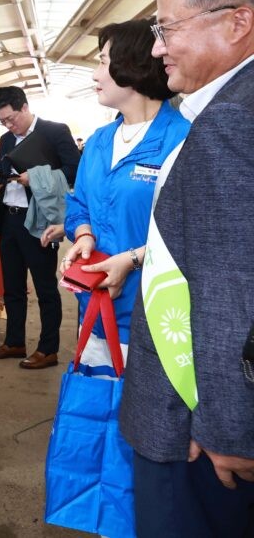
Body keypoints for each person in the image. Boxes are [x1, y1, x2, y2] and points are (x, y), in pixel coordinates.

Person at [117, 0, 254, 537]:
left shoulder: (232, 124)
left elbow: (231, 290)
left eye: (168, 28)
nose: (158, 47)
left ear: (236, 23)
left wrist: (230, 429)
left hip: (198, 435)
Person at [57, 19, 189, 378]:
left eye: (102, 61)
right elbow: (79, 203)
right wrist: (83, 235)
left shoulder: (182, 140)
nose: (95, 74)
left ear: (132, 65)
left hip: (154, 317)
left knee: (144, 425)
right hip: (94, 308)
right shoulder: (100, 140)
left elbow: (194, 231)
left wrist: (130, 260)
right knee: (97, 411)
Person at [0, 86, 79, 369]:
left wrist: (35, 178)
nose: (8, 125)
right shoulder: (6, 138)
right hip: (10, 220)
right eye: (2, 121)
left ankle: (48, 349)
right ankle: (15, 341)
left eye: (11, 118)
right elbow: (5, 169)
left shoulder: (54, 132)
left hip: (38, 221)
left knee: (45, 286)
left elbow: (75, 170)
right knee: (12, 286)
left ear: (24, 107)